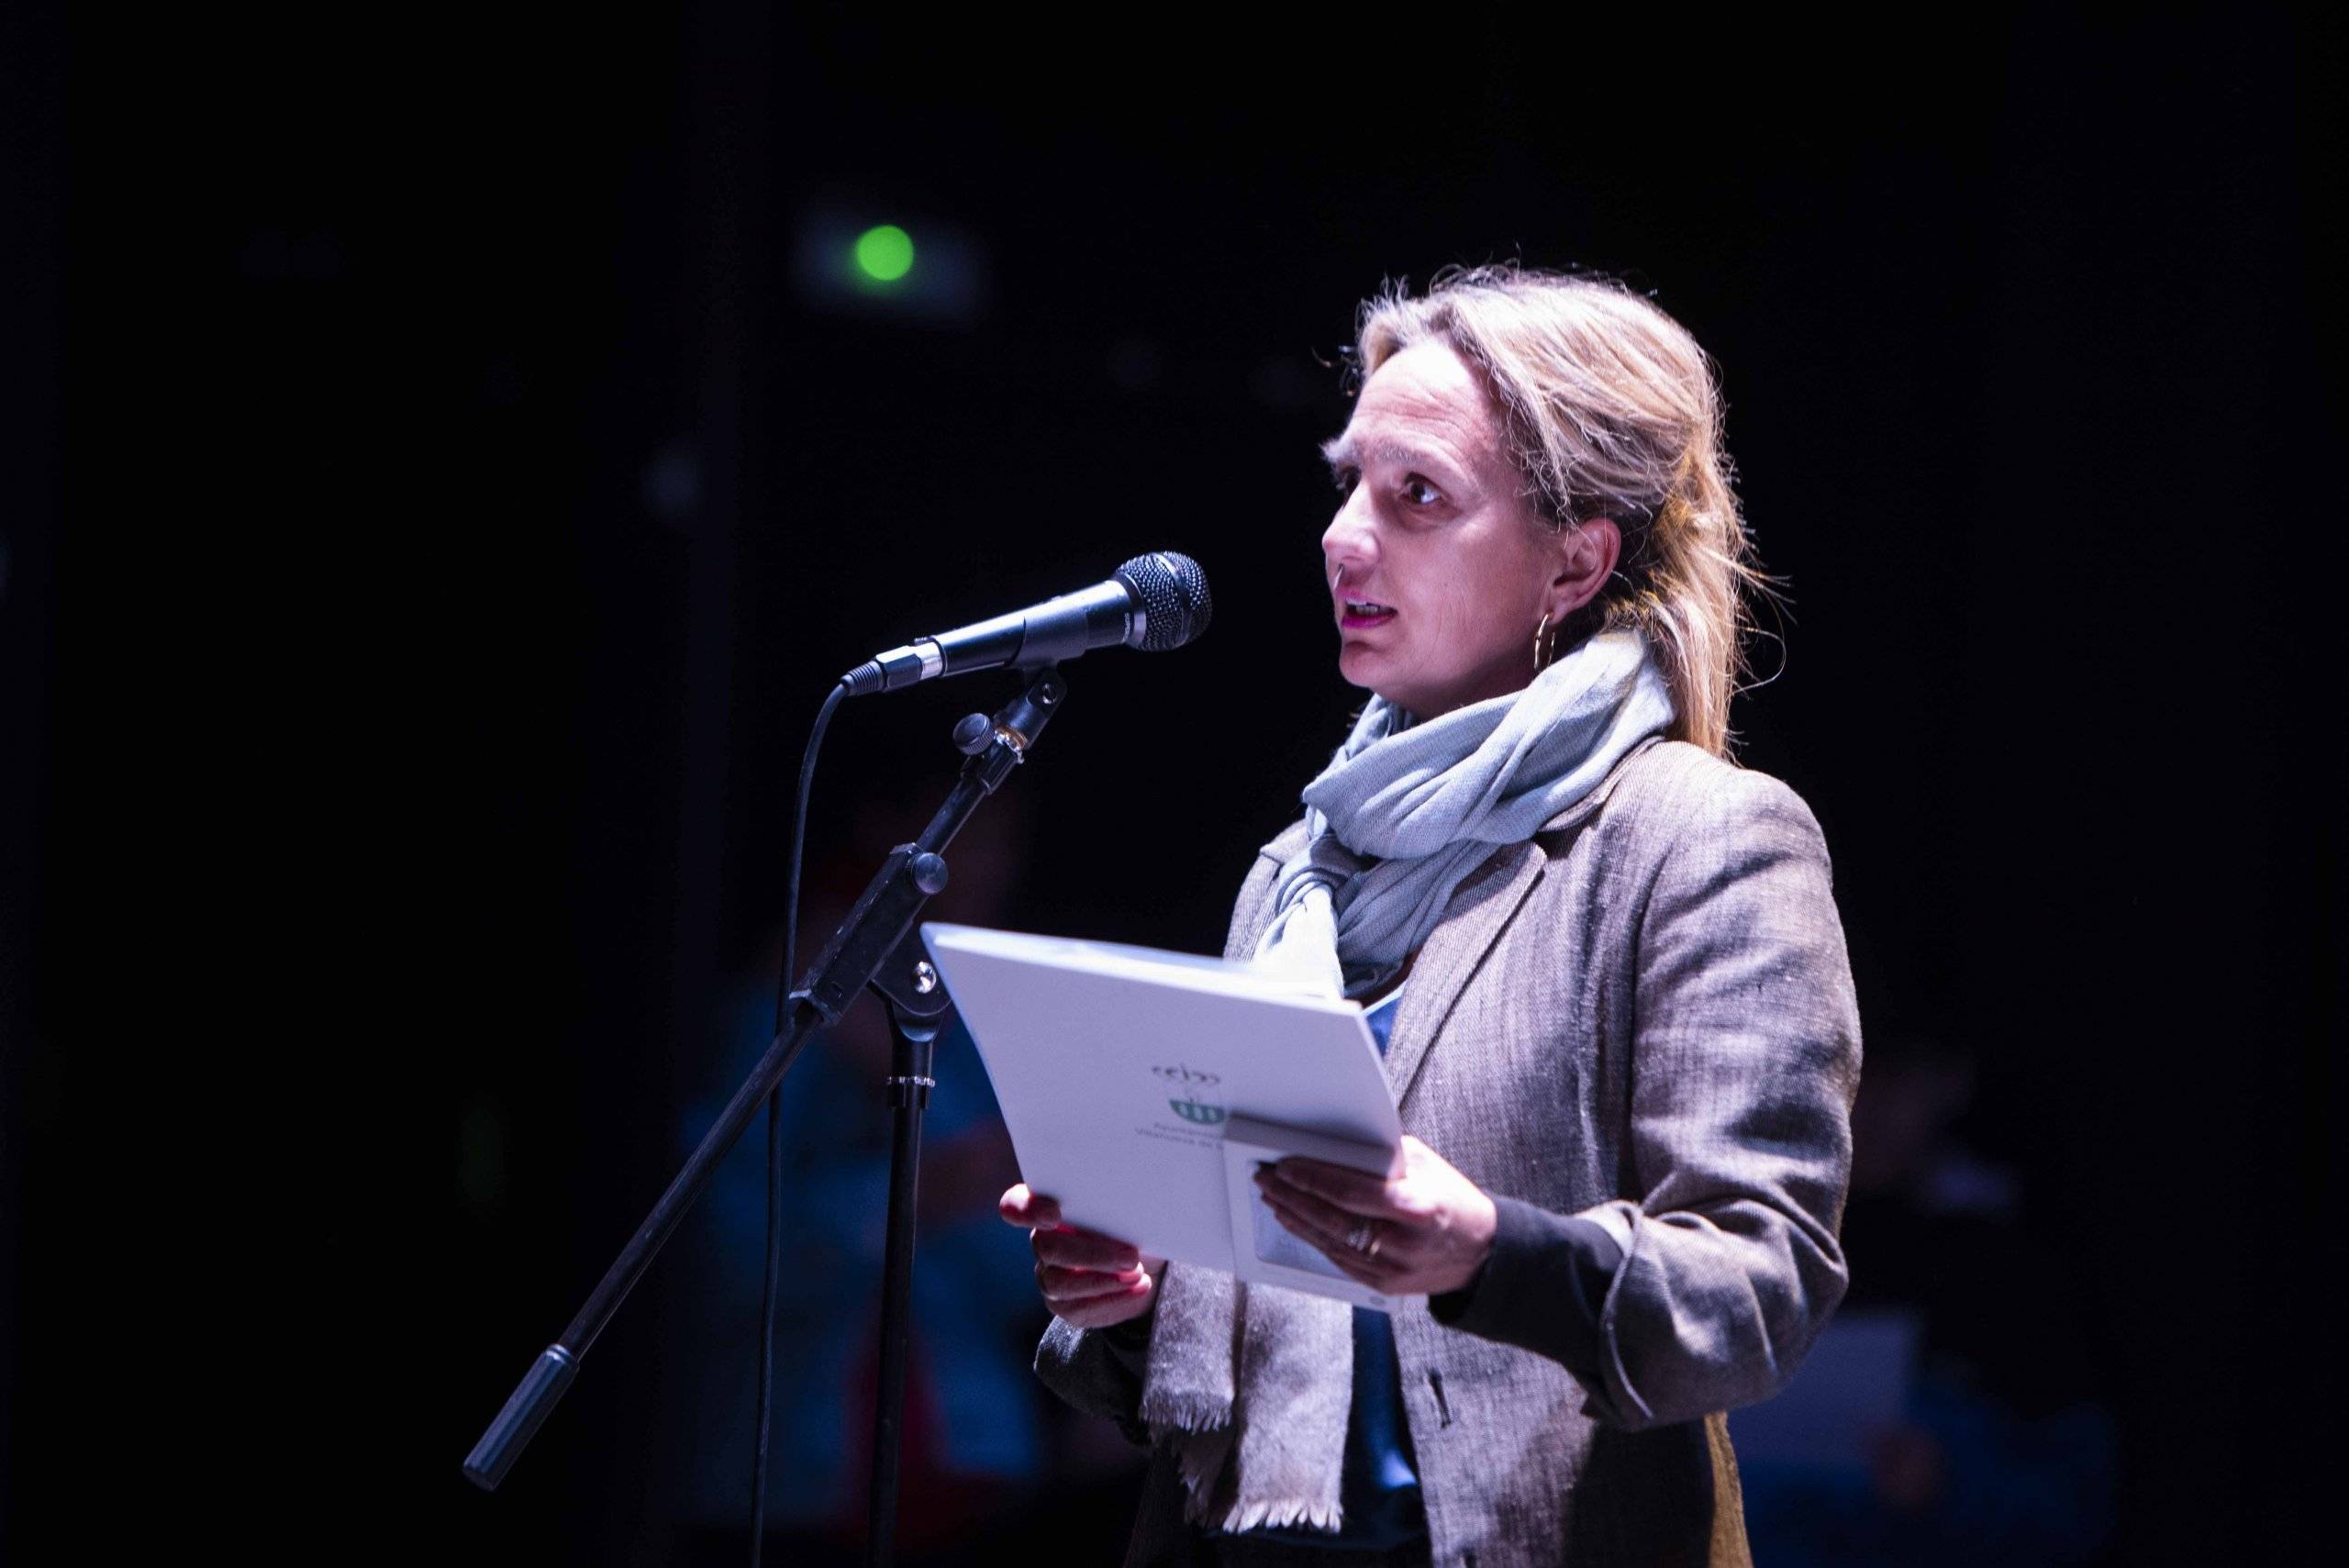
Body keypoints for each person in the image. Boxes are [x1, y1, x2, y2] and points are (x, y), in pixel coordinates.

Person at [998, 264, 1862, 1567]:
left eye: (1417, 497)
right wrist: (1133, 1300)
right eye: (1349, 482)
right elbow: (1218, 1374)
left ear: (1576, 560)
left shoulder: (1697, 835)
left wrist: (1488, 1253)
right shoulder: (1299, 869)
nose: (1345, 535)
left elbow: (1760, 1287)